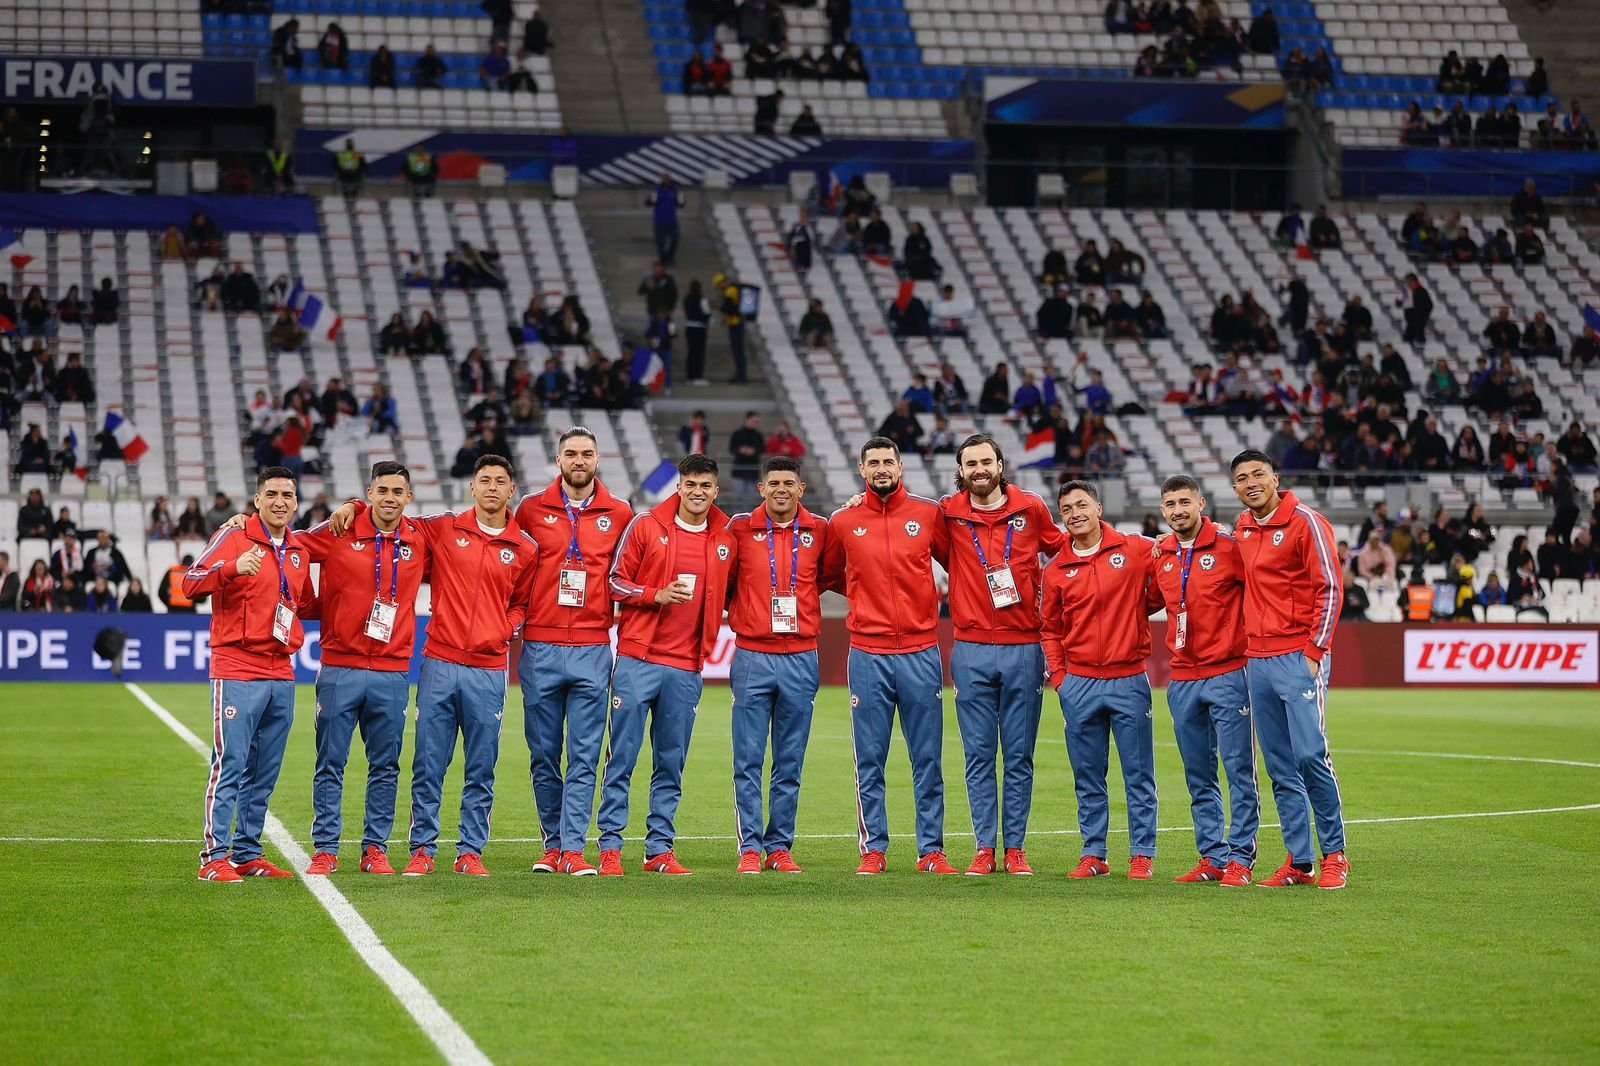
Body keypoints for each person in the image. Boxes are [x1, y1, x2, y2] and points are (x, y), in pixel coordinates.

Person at [331, 455, 537, 876]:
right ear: (472, 488)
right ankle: (422, 850)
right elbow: (389, 515)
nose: (492, 488)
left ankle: (469, 853)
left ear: (511, 490)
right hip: (440, 662)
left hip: (489, 667)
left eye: (500, 481)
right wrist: (353, 504)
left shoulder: (526, 547)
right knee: (428, 763)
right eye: (485, 481)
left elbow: (523, 603)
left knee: (481, 766)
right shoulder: (443, 528)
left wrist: (505, 629)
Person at [262, 461, 427, 877]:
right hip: (339, 667)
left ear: (409, 497)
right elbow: (286, 545)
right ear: (369, 494)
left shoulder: (422, 538)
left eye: (397, 492)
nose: (389, 498)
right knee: (330, 762)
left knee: (386, 765)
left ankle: (375, 849)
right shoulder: (339, 530)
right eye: (381, 491)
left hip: (393, 671)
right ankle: (326, 849)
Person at [599, 454, 737, 875]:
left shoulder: (727, 537)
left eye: (706, 486)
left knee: (670, 763)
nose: (698, 492)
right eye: (690, 484)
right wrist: (652, 594)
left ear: (716, 491)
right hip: (639, 660)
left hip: (687, 666)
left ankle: (659, 849)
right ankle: (610, 847)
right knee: (621, 757)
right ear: (679, 487)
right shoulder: (645, 525)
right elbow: (613, 581)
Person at [935, 435, 1064, 875]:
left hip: (1024, 647)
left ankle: (1016, 848)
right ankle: (984, 847)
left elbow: (1065, 549)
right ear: (961, 470)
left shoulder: (1031, 508)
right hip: (970, 649)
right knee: (978, 755)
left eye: (986, 461)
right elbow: (902, 526)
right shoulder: (947, 513)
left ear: (1000, 463)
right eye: (970, 463)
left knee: (1020, 755)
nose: (979, 469)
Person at [830, 437, 955, 875]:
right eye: (873, 463)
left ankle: (931, 850)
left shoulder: (928, 514)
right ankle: (873, 850)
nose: (881, 468)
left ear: (900, 467)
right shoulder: (843, 521)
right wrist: (866, 597)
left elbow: (958, 562)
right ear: (861, 469)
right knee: (870, 757)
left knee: (928, 757)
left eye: (888, 461)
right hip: (868, 652)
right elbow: (828, 573)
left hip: (922, 650)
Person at [513, 428, 633, 876]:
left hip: (592, 647)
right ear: (557, 460)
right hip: (541, 646)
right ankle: (552, 842)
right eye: (570, 454)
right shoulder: (529, 509)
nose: (578, 460)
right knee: (544, 754)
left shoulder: (620, 513)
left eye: (586, 454)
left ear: (597, 459)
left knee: (584, 755)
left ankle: (574, 848)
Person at [185, 467, 313, 883]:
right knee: (231, 762)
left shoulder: (299, 551)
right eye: (271, 493)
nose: (280, 501)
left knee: (265, 770)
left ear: (296, 502)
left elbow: (304, 603)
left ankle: (246, 853)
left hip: (282, 672)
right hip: (237, 667)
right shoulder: (233, 537)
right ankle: (213, 858)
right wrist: (232, 568)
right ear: (256, 500)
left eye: (288, 495)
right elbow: (190, 583)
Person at [1230, 449, 1349, 890]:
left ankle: (1335, 854)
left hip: (1298, 657)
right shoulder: (1242, 528)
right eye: (1242, 478)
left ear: (1275, 477)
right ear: (1236, 488)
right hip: (1257, 661)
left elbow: (1332, 588)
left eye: (1258, 474)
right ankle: (1300, 862)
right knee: (1279, 766)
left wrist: (1315, 651)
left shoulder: (1307, 522)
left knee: (1310, 756)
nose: (1251, 483)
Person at [724, 457, 843, 872]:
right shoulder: (739, 527)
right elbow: (723, 579)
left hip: (802, 656)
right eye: (773, 482)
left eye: (788, 483)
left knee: (790, 760)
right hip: (753, 655)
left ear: (801, 488)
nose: (780, 489)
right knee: (749, 759)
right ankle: (751, 848)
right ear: (761, 488)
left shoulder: (821, 530)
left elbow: (828, 576)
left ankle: (779, 847)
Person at [1040, 480, 1158, 880]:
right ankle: (1094, 853)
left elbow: (1166, 580)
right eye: (1066, 509)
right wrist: (1061, 679)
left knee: (1138, 773)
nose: (1074, 514)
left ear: (1098, 508)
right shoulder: (1056, 570)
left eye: (1081, 505)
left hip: (1129, 679)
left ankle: (1142, 854)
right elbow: (1050, 630)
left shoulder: (1136, 549)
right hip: (1080, 684)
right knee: (1088, 775)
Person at [1146, 475, 1260, 885]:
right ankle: (1211, 857)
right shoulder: (1161, 555)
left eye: (1184, 502)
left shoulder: (1230, 550)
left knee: (1238, 769)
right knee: (1198, 774)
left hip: (1228, 672)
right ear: (1163, 511)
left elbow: (1262, 593)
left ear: (1201, 503)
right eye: (1170, 504)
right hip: (1182, 678)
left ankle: (1241, 858)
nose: (1178, 510)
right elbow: (1144, 601)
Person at [715, 273, 747, 383]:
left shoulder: (730, 291)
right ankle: (740, 374)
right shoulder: (733, 289)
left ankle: (741, 375)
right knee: (738, 351)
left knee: (737, 351)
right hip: (735, 323)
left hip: (735, 323)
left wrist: (721, 307)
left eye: (720, 285)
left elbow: (729, 307)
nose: (720, 288)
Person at [647, 173, 685, 267]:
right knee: (660, 243)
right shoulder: (656, 190)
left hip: (672, 221)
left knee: (675, 239)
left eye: (667, 178)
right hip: (659, 221)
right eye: (664, 178)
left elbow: (681, 205)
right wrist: (651, 200)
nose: (666, 180)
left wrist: (682, 200)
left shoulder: (675, 191)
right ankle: (664, 261)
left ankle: (670, 258)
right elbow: (648, 203)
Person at [729, 411, 765, 496]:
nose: (755, 423)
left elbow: (761, 449)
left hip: (752, 470)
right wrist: (740, 450)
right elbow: (732, 449)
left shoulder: (758, 435)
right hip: (739, 469)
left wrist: (754, 451)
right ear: (747, 420)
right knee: (739, 496)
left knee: (751, 497)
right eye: (754, 421)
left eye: (757, 422)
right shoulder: (737, 434)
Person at [682, 280, 711, 383]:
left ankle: (690, 374)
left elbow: (686, 311)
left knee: (691, 352)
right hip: (700, 328)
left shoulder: (686, 299)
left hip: (690, 327)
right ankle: (698, 375)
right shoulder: (702, 299)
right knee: (699, 353)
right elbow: (707, 313)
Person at [1400, 273, 1432, 346]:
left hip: (1418, 321)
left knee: (1419, 339)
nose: (1407, 284)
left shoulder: (1421, 291)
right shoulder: (1409, 292)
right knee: (1407, 339)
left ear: (1413, 281)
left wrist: (1423, 317)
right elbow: (1407, 304)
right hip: (1411, 321)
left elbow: (1429, 305)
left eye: (1408, 282)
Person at [786, 209, 815, 276]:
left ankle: (805, 265)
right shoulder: (796, 226)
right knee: (800, 245)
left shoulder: (809, 227)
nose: (803, 218)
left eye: (804, 216)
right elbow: (791, 236)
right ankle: (799, 265)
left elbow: (812, 237)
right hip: (797, 246)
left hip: (806, 246)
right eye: (801, 216)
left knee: (805, 244)